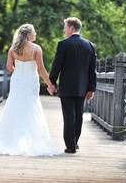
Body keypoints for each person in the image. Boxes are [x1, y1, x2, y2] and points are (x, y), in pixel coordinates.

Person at [0, 23, 61, 156]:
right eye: (34, 32)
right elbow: (41, 69)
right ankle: (31, 139)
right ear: (28, 34)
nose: (35, 34)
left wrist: (18, 71)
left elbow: (9, 68)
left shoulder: (13, 49)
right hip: (31, 80)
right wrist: (50, 84)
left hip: (17, 81)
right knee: (32, 106)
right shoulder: (36, 49)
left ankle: (11, 139)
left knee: (14, 106)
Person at [49, 17, 97, 154]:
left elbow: (56, 66)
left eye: (65, 27)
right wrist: (91, 88)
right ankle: (75, 142)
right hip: (82, 88)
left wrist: (51, 83)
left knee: (69, 116)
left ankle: (70, 146)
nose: (64, 30)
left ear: (71, 28)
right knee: (79, 115)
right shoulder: (90, 45)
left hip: (67, 87)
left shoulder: (63, 44)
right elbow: (92, 70)